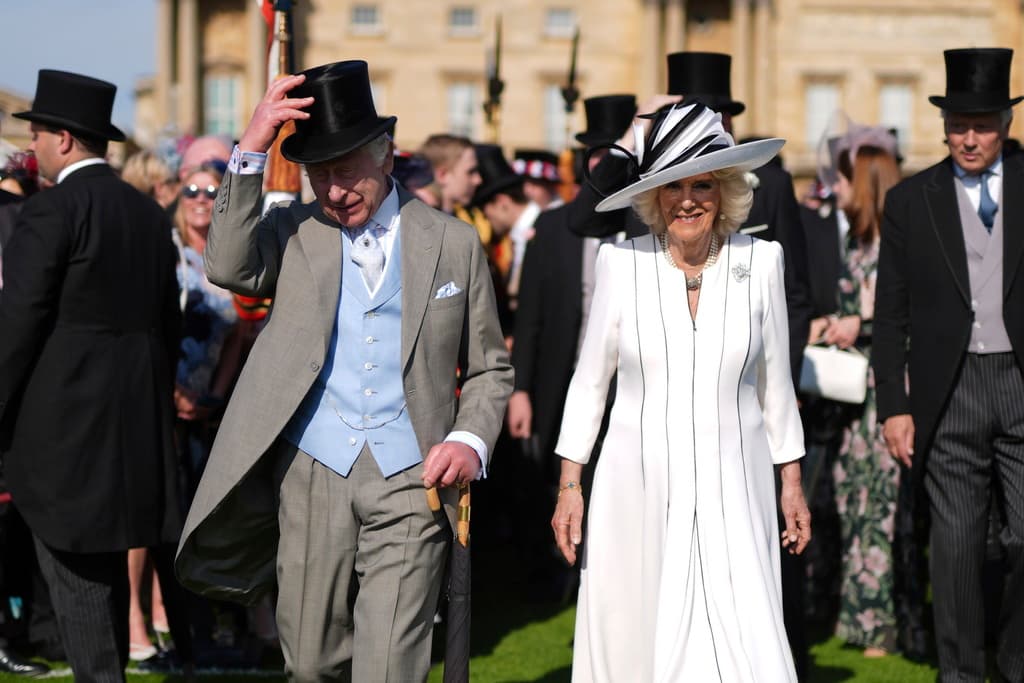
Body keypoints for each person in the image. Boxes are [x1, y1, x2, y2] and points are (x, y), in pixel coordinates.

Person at [175, 60, 513, 681]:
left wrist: (469, 439)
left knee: (388, 666)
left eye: (346, 169)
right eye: (319, 174)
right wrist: (249, 147)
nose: (333, 190)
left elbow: (491, 368)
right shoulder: (290, 230)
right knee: (310, 665)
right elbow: (225, 266)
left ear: (386, 154)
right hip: (310, 472)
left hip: (415, 475)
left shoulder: (455, 242)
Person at [551, 101, 810, 682]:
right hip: (636, 483)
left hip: (736, 483)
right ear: (653, 196)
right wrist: (571, 486)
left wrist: (791, 483)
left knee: (745, 636)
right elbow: (590, 383)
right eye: (673, 185)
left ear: (726, 193)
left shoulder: (762, 261)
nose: (688, 199)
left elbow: (775, 386)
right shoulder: (622, 264)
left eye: (703, 184)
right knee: (639, 633)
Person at [0, 69, 182, 683]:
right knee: (99, 573)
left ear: (67, 140)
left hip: (61, 433)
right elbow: (169, 325)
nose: (33, 147)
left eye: (40, 133)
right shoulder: (150, 216)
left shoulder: (50, 211)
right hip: (136, 427)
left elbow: (16, 326)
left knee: (78, 581)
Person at [874, 47, 1024, 682]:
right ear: (941, 125)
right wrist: (893, 407)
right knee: (957, 549)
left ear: (1006, 124)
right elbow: (891, 312)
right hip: (948, 391)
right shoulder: (911, 200)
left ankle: (1016, 662)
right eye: (959, 124)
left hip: (1021, 382)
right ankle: (960, 674)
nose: (969, 138)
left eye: (983, 124)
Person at [811, 125, 903, 656]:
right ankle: (858, 618)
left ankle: (881, 624)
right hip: (851, 396)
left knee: (880, 507)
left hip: (882, 393)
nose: (835, 189)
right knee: (853, 500)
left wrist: (857, 322)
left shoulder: (894, 243)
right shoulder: (856, 239)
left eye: (843, 180)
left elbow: (906, 315)